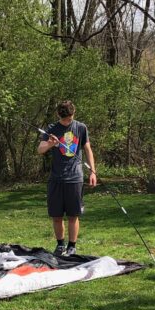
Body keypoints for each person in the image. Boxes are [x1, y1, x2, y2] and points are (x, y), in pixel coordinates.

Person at [37, 100, 97, 256]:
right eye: (64, 119)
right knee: (56, 216)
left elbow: (88, 149)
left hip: (75, 178)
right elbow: (40, 149)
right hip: (56, 178)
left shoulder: (81, 128)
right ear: (58, 115)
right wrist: (50, 144)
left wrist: (93, 172)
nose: (67, 122)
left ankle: (72, 246)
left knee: (73, 215)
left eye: (69, 119)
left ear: (74, 113)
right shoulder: (51, 129)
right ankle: (60, 245)